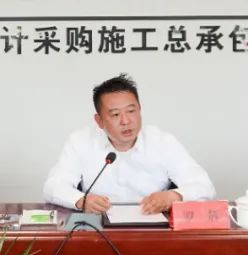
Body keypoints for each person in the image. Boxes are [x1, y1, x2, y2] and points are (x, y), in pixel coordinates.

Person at [43, 73, 215, 214]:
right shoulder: (80, 142)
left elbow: (204, 187)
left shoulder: (163, 142)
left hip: (154, 229)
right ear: (99, 121)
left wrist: (174, 196)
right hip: (98, 228)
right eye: (115, 114)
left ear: (140, 110)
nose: (126, 121)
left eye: (131, 111)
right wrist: (81, 200)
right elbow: (53, 186)